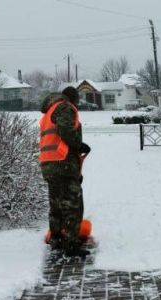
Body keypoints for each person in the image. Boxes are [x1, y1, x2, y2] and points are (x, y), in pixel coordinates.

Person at [39, 86, 91, 258]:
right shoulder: (65, 107)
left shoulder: (49, 112)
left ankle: (57, 240)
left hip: (49, 163)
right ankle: (70, 245)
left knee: (56, 204)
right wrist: (78, 145)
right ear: (72, 99)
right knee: (73, 205)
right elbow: (66, 130)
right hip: (63, 162)